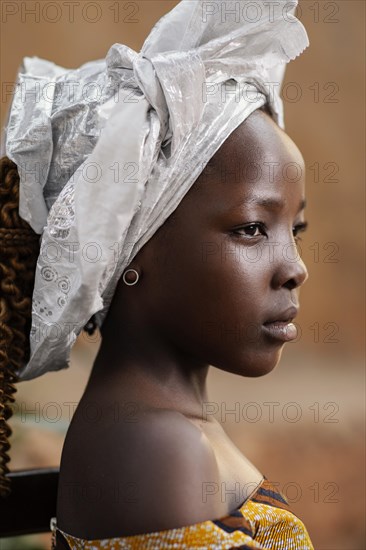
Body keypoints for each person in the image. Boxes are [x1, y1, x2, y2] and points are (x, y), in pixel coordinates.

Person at [0, 1, 314, 548]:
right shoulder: (157, 449)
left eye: (296, 230)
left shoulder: (161, 428)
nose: (295, 268)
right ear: (131, 250)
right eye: (251, 229)